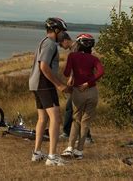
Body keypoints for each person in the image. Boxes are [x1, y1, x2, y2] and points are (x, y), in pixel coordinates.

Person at [29, 17, 68, 166]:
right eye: (63, 31)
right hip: (44, 84)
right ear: (56, 30)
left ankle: (37, 153)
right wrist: (59, 85)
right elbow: (44, 66)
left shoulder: (44, 41)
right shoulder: (51, 44)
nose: (64, 35)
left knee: (43, 118)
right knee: (56, 118)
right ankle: (52, 157)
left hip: (36, 83)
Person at [61, 33, 104, 159]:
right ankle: (79, 151)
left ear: (79, 44)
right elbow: (101, 72)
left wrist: (72, 72)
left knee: (76, 120)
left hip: (78, 91)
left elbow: (66, 73)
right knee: (86, 122)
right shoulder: (94, 59)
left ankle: (69, 148)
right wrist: (89, 82)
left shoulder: (73, 56)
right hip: (92, 91)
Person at [57, 33, 93, 143]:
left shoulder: (77, 48)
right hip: (79, 82)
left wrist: (72, 77)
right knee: (71, 107)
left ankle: (86, 136)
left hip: (80, 83)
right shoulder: (74, 48)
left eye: (60, 44)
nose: (61, 47)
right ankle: (68, 132)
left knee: (78, 109)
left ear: (65, 41)